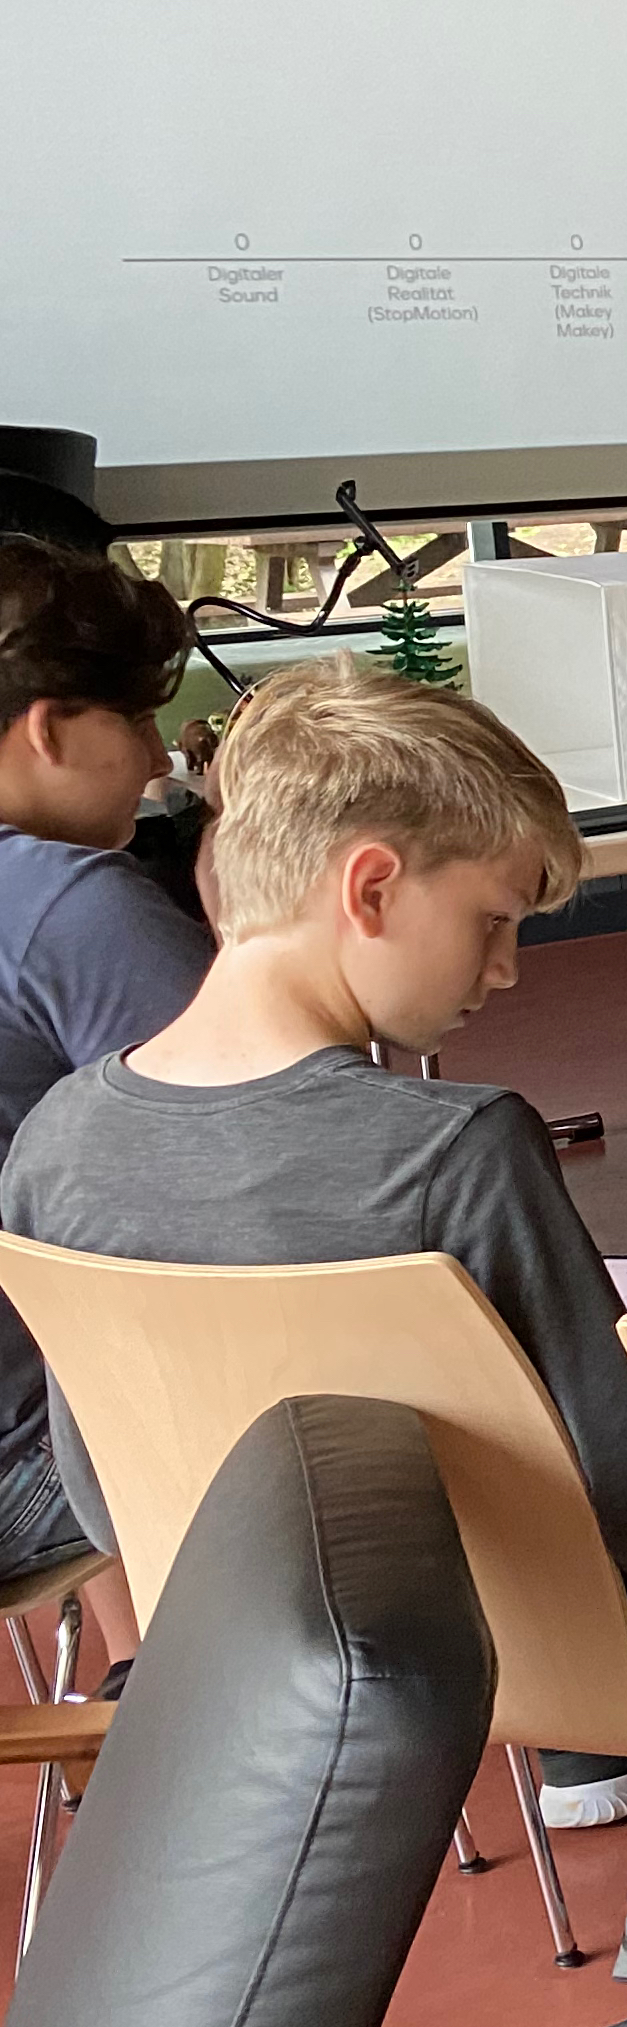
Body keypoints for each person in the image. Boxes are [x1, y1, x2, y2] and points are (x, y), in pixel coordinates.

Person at [0, 659, 627, 1976]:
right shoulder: (457, 1148)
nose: (506, 970)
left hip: (276, 1645)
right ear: (374, 887)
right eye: (496, 921)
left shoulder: (51, 1150)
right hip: (562, 1650)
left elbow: (98, 1497)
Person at [0, 540, 208, 1639]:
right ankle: (576, 1731)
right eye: (132, 724)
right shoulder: (65, 904)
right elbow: (271, 1141)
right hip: (30, 1475)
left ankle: (148, 1687)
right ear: (45, 728)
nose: (153, 762)